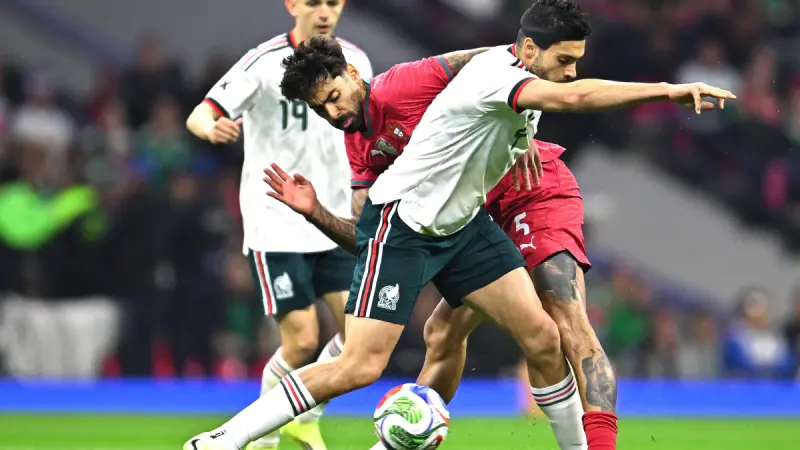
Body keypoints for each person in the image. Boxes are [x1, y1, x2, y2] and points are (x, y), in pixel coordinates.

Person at [183, 1, 735, 449]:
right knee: (358, 366)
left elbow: (521, 75)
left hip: (466, 226)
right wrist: (669, 91)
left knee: (543, 337)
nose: (332, 113)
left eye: (333, 97)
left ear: (353, 74)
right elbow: (574, 94)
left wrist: (515, 131)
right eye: (321, 108)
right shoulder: (467, 94)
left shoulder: (414, 81)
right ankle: (225, 439)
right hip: (404, 226)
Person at [184, 1, 372, 449]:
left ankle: (305, 416)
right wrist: (211, 129)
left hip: (332, 220)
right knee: (303, 339)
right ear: (292, 4)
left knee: (358, 335)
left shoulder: (357, 61)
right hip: (276, 219)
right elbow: (201, 112)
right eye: (313, 2)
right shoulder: (264, 62)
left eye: (333, 2)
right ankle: (262, 440)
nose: (325, 11)